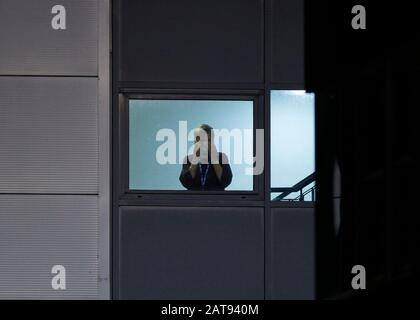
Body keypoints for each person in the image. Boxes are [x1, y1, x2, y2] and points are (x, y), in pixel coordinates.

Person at [179, 124, 233, 191]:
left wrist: (214, 158)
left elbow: (226, 181)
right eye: (200, 139)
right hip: (194, 200)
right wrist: (195, 159)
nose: (204, 143)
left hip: (216, 199)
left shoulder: (221, 157)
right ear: (195, 141)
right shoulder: (188, 159)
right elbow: (186, 183)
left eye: (208, 140)